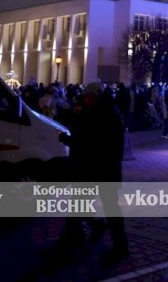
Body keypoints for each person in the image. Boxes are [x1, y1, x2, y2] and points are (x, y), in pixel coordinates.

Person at [51, 82, 129, 267]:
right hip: (93, 169)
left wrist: (70, 140)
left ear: (96, 96)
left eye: (88, 97)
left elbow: (92, 143)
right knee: (82, 208)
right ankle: (74, 240)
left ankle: (119, 246)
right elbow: (86, 139)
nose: (85, 100)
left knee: (109, 209)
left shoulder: (107, 115)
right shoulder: (101, 112)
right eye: (85, 97)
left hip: (101, 170)